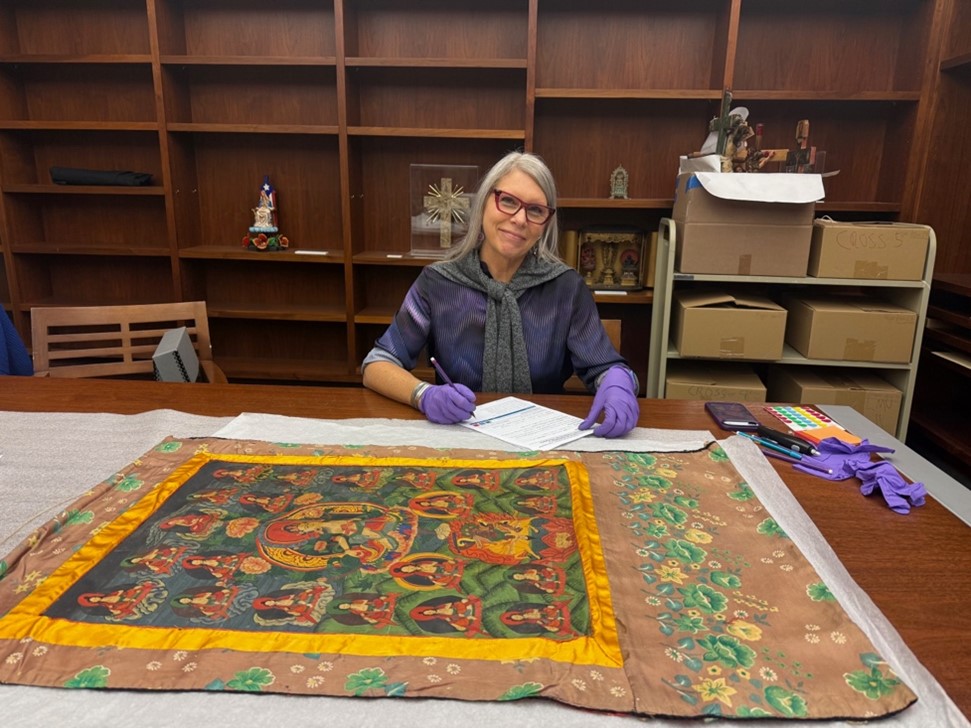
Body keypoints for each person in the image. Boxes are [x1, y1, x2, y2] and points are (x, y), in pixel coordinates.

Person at [361, 151, 639, 438]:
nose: (520, 219)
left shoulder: (566, 288)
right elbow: (377, 364)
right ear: (483, 204)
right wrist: (423, 394)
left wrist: (618, 381)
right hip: (459, 433)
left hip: (544, 439)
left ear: (546, 222)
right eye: (507, 201)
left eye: (535, 210)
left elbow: (604, 367)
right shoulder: (438, 282)